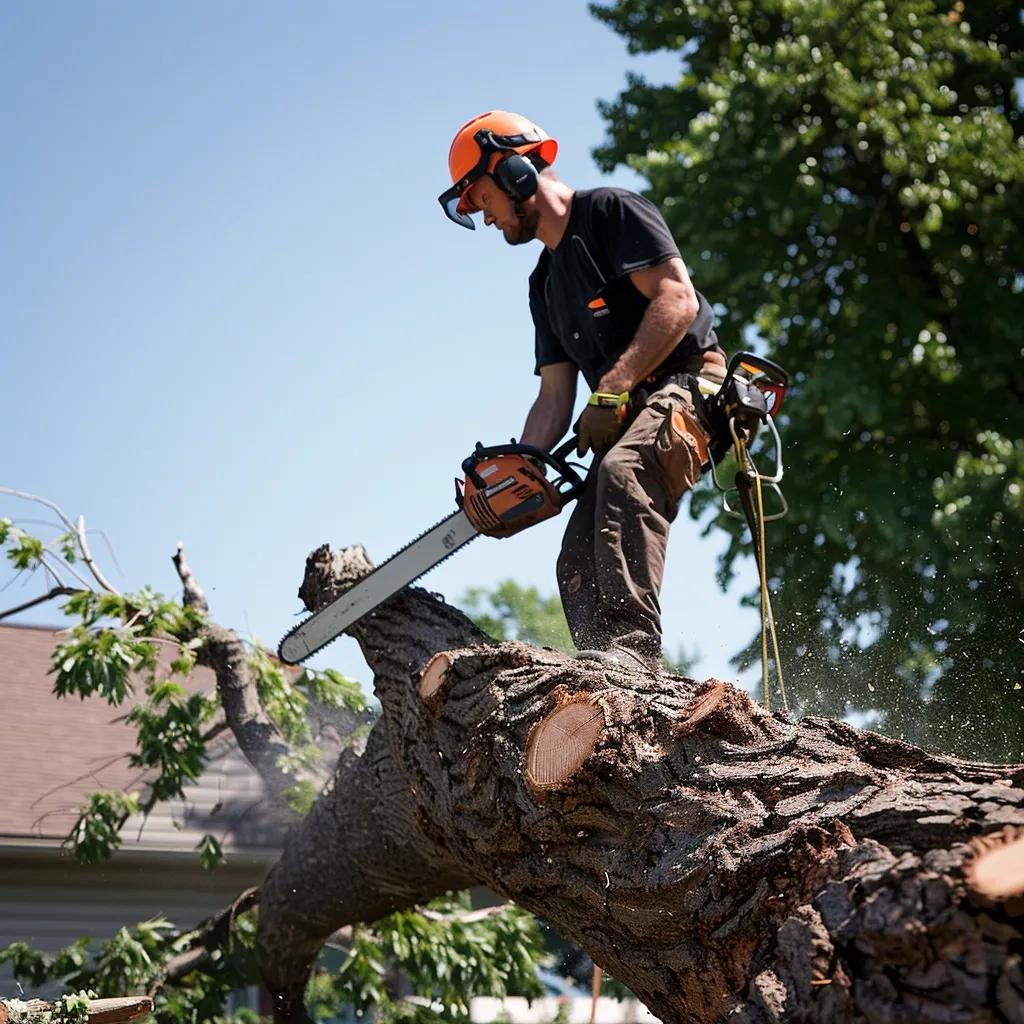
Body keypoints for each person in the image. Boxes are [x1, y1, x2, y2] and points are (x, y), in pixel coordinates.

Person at [439, 110, 727, 673]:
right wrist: (519, 467)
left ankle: (632, 656)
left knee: (624, 474)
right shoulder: (543, 283)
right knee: (577, 553)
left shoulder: (610, 213)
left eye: (482, 199)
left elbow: (677, 300)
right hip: (623, 413)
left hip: (691, 385)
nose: (487, 218)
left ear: (515, 171)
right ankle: (602, 676)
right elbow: (554, 396)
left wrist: (613, 389)